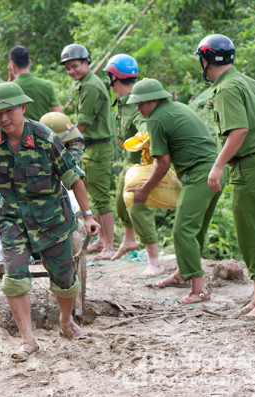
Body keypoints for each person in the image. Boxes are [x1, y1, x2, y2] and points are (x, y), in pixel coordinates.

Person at [0, 82, 100, 362]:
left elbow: (73, 177)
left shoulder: (45, 138)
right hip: (12, 219)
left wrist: (88, 215)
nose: (3, 119)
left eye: (8, 111)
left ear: (23, 108)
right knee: (15, 278)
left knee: (65, 281)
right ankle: (28, 340)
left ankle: (66, 321)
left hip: (51, 218)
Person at [126, 78, 224, 304]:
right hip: (214, 171)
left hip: (200, 175)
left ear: (154, 100)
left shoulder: (157, 118)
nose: (138, 109)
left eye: (140, 104)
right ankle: (183, 274)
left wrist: (144, 190)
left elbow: (162, 164)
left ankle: (199, 290)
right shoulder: (177, 108)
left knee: (182, 231)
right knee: (195, 230)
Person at [196, 34, 255, 319]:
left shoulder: (225, 88)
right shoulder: (249, 82)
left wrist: (218, 166)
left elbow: (239, 131)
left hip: (250, 165)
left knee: (253, 232)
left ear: (206, 60)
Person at [104, 54, 162, 276]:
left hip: (141, 163)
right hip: (128, 162)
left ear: (113, 78)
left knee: (139, 207)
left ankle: (154, 260)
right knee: (120, 204)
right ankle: (129, 241)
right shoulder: (121, 103)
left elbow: (147, 130)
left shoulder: (136, 103)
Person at [61, 44, 115, 260]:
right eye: (68, 68)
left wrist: (62, 142)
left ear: (86, 62)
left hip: (99, 146)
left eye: (75, 66)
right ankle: (101, 241)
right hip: (91, 146)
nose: (72, 71)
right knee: (94, 194)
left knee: (102, 198)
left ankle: (109, 245)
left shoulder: (91, 86)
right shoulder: (86, 84)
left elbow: (82, 124)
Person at [8, 45, 63, 121]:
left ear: (12, 64)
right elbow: (58, 113)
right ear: (29, 62)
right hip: (44, 130)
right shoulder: (46, 85)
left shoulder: (11, 88)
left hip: (22, 132)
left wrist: (10, 80)